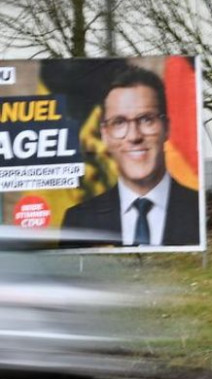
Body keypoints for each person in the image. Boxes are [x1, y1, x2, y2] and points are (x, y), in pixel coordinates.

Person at [61, 66, 200, 248]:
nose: (134, 136)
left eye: (147, 119)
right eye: (119, 122)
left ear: (166, 127)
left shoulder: (196, 210)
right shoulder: (78, 221)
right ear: (105, 134)